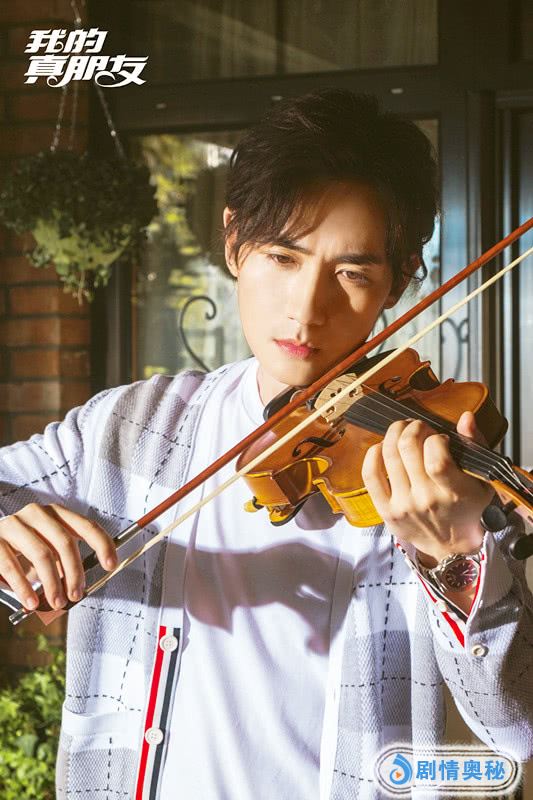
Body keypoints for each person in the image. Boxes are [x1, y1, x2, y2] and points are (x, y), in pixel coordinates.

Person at [0, 89, 531, 800]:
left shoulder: (441, 480)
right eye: (283, 257)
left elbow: (516, 728)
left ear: (400, 280)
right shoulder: (127, 424)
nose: (305, 309)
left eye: (353, 273)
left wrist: (456, 557)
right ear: (232, 241)